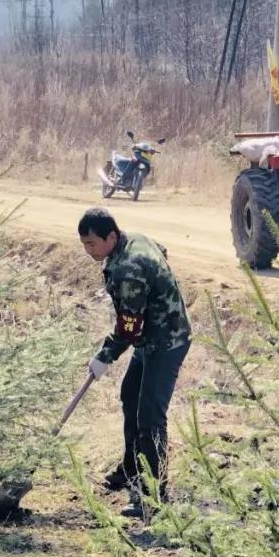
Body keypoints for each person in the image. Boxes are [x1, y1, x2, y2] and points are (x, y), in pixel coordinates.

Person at [78, 207, 191, 518]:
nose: (89, 251)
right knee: (130, 396)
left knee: (150, 417)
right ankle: (130, 467)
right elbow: (163, 252)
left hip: (166, 342)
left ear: (111, 237)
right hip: (151, 336)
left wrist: (104, 357)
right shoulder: (135, 240)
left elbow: (129, 328)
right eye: (84, 245)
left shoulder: (128, 270)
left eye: (92, 244)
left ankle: (153, 494)